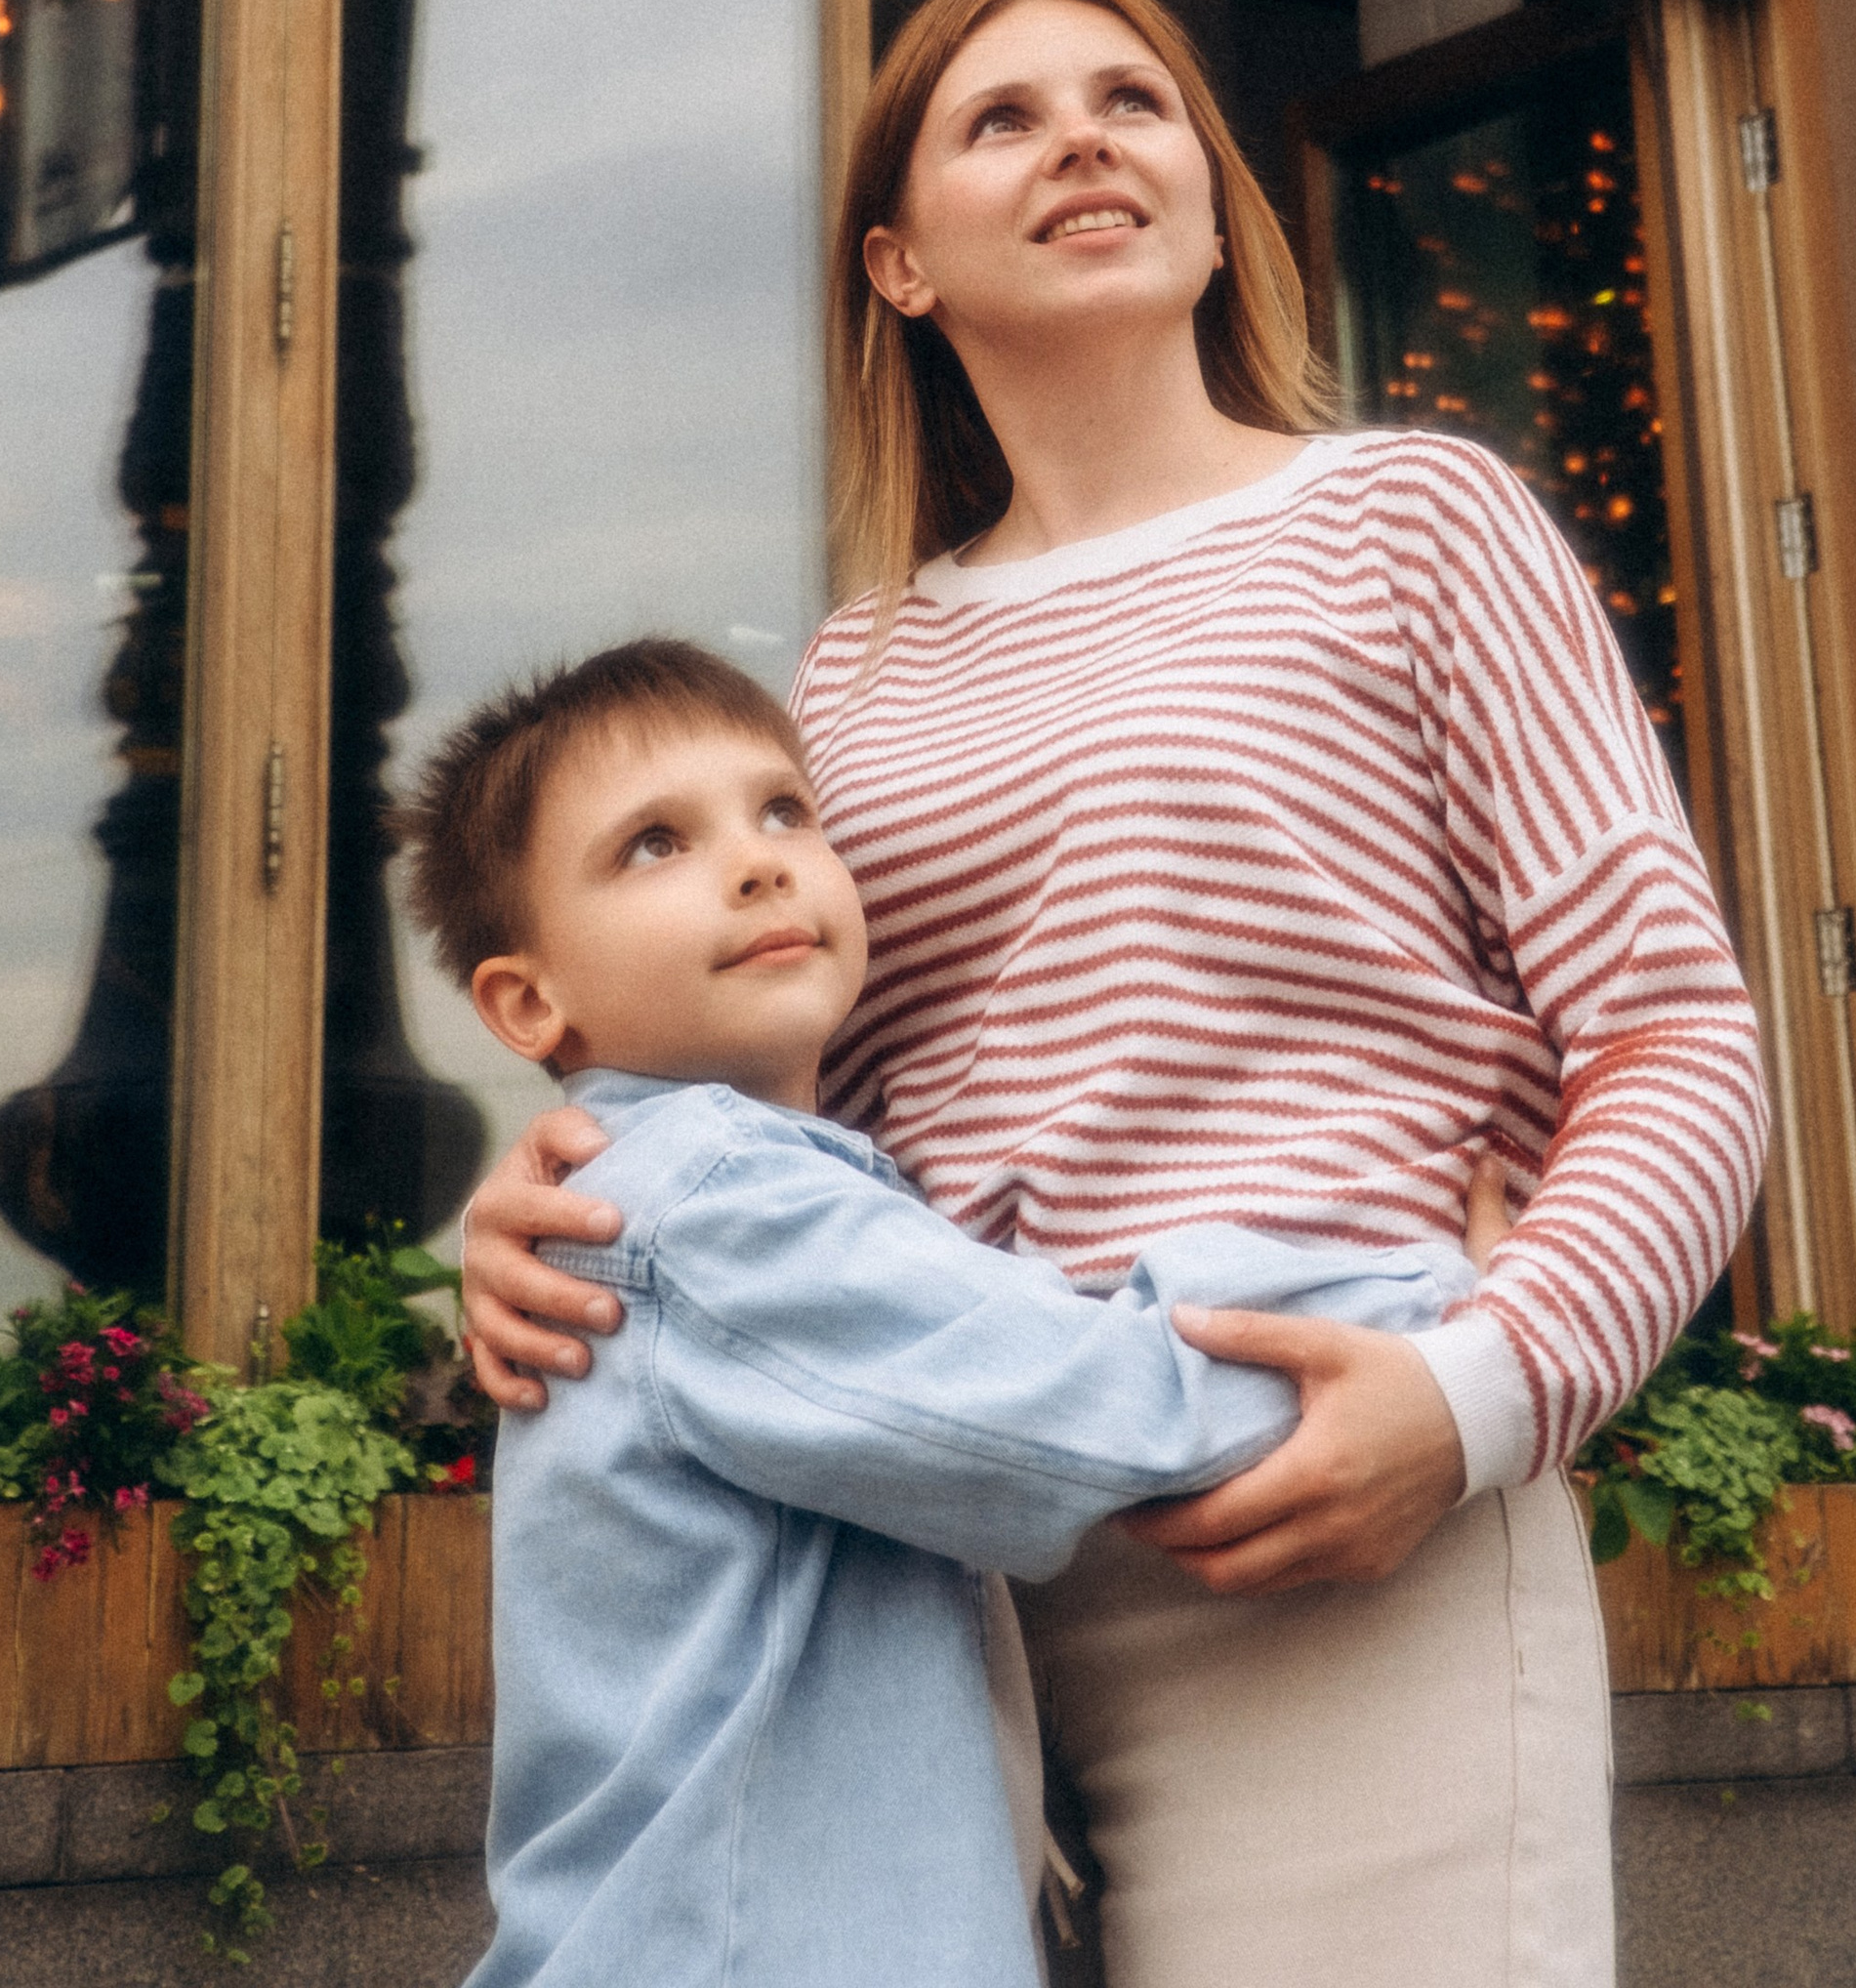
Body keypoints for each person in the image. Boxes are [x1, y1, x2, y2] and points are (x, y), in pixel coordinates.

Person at [460, 0, 1771, 1987]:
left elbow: (1673, 1041)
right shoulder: (858, 672)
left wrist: (1477, 1393)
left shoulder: (1412, 519)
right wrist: (556, 1207)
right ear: (897, 265)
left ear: (1206, 193)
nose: (1083, 135)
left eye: (1132, 101)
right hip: (930, 1564)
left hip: (1333, 1522)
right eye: (1001, 117)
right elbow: (796, 1120)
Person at [399, 632, 1508, 1988]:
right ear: (527, 1001)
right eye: (653, 845)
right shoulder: (719, 1215)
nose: (755, 860)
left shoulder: (707, 1203)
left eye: (784, 810)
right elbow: (1096, 1403)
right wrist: (1430, 1293)